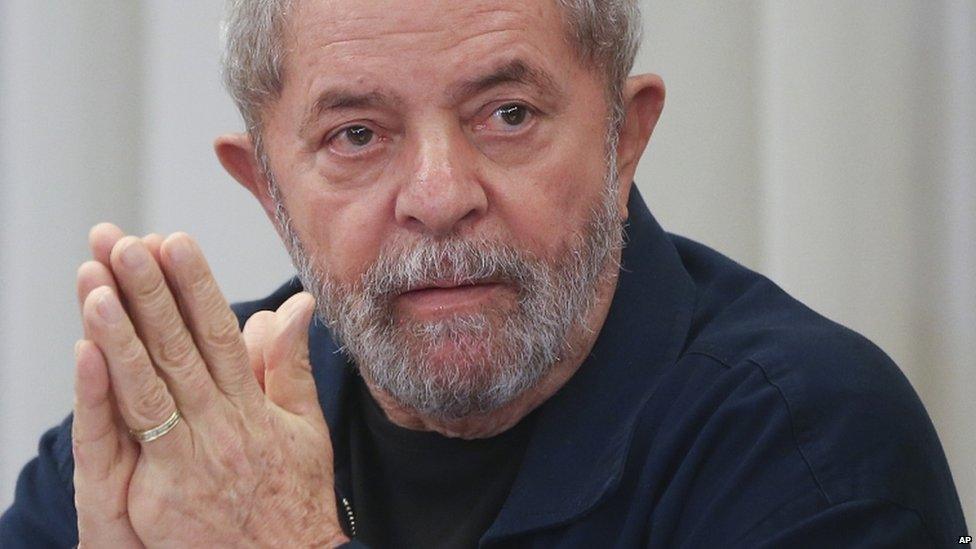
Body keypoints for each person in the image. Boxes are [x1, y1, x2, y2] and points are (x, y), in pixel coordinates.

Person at [0, 0, 968, 547]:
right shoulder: (182, 442)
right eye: (356, 135)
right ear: (267, 190)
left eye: (505, 114)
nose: (438, 194)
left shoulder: (807, 442)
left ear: (620, 140)